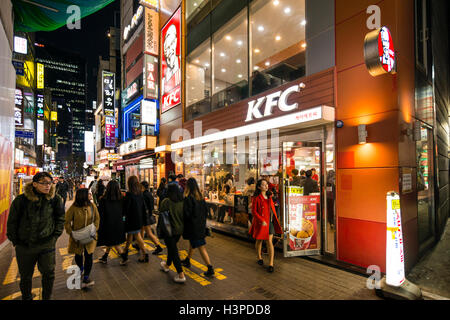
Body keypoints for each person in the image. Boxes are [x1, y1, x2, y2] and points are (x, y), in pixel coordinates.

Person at [6, 172, 65, 300]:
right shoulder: (21, 200)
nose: (47, 186)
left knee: (49, 274)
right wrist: (15, 241)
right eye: (44, 183)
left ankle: (46, 297)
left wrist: (54, 237)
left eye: (50, 183)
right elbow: (12, 222)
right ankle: (26, 297)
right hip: (25, 246)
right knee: (26, 276)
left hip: (47, 244)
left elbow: (60, 219)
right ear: (34, 184)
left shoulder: (55, 199)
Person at [64, 188, 100, 288]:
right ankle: (80, 268)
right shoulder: (73, 208)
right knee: (78, 254)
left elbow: (97, 218)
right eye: (88, 194)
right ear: (83, 196)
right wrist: (71, 233)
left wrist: (95, 229)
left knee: (89, 256)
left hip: (90, 236)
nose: (90, 195)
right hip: (77, 237)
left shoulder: (92, 206)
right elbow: (66, 221)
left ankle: (86, 277)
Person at [181, 178, 215, 277]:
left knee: (201, 247)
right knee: (193, 243)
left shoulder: (188, 198)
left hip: (193, 227)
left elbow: (186, 214)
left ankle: (210, 268)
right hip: (200, 226)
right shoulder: (201, 197)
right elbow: (206, 212)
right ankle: (187, 260)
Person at [249, 179, 282, 273]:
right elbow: (254, 212)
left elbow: (272, 208)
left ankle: (271, 264)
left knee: (269, 242)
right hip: (260, 223)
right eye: (263, 185)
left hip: (269, 222)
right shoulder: (256, 198)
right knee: (259, 240)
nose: (266, 186)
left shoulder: (269, 196)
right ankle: (259, 257)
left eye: (266, 184)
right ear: (259, 187)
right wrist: (261, 220)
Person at [159, 184, 186, 283]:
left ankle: (181, 274)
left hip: (169, 230)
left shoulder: (166, 202)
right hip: (179, 231)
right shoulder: (183, 202)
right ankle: (166, 265)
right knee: (172, 247)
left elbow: (161, 212)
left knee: (174, 251)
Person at [97, 180, 127, 264]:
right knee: (112, 240)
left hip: (108, 224)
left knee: (113, 242)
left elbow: (101, 214)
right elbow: (124, 212)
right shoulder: (122, 198)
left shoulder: (103, 199)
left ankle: (124, 257)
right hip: (119, 223)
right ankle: (105, 257)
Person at [122, 176, 149, 264]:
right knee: (130, 235)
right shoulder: (140, 193)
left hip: (131, 220)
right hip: (139, 219)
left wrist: (123, 218)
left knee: (137, 235)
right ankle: (125, 252)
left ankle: (145, 254)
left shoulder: (129, 194)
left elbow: (126, 209)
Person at [140, 181, 163, 255]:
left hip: (145, 216)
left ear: (143, 187)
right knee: (142, 231)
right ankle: (139, 244)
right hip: (148, 216)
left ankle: (158, 246)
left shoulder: (143, 195)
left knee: (149, 233)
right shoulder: (149, 194)